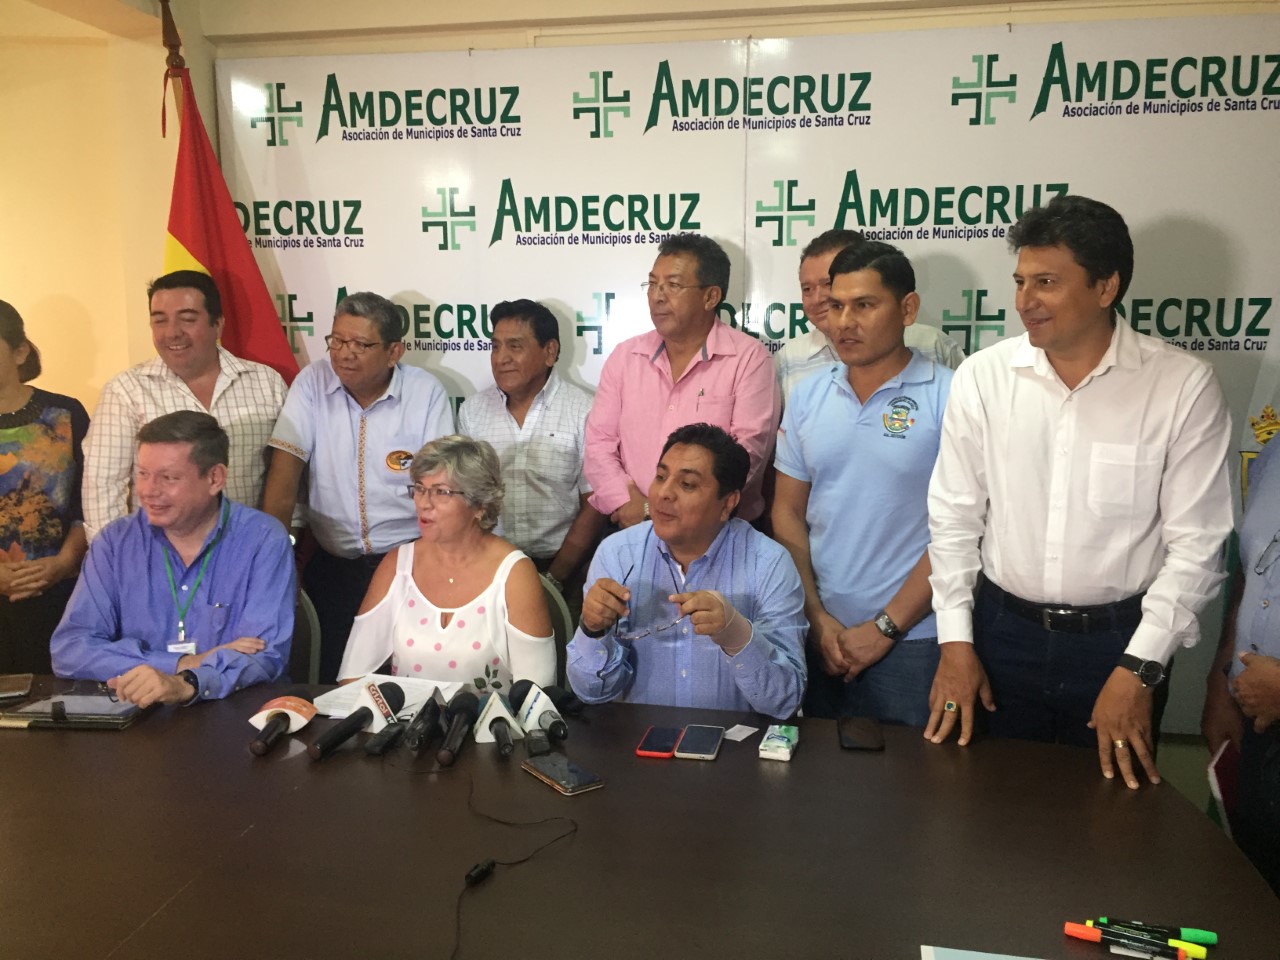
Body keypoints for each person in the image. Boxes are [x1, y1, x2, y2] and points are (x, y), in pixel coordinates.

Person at [925, 194, 1232, 790]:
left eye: (1047, 282)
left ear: (1106, 286)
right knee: (989, 809)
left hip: (1121, 643)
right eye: (1020, 282)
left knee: (1110, 814)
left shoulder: (1180, 386)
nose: (1025, 301)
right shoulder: (984, 377)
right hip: (1000, 636)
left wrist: (1140, 668)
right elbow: (954, 519)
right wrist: (956, 643)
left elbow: (1198, 546)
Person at [773, 242, 952, 726]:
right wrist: (815, 616)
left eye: (864, 305)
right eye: (836, 306)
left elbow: (962, 531)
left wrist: (886, 627)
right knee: (819, 770)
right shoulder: (808, 395)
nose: (844, 322)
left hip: (916, 640)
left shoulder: (951, 395)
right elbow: (787, 512)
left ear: (908, 309)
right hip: (822, 636)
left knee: (912, 772)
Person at [263, 291, 453, 684]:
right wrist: (272, 561)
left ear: (394, 351)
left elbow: (440, 487)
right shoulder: (312, 382)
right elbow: (285, 474)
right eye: (337, 341)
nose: (344, 353)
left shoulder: (425, 393)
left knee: (410, 679)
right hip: (334, 569)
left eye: (360, 344)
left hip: (408, 567)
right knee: (335, 681)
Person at [51, 411, 294, 706]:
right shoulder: (115, 543)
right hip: (137, 713)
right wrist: (181, 664)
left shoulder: (263, 540)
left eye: (168, 478)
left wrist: (187, 683)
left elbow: (264, 656)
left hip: (233, 712)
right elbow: (70, 650)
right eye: (142, 474)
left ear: (215, 478)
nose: (148, 491)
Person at [567, 423, 806, 719]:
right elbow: (591, 693)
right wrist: (593, 630)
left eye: (687, 484)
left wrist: (738, 637)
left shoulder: (769, 563)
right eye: (660, 477)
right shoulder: (617, 554)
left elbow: (785, 702)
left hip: (736, 743)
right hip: (641, 740)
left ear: (727, 503)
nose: (664, 493)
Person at [584, 233, 779, 528]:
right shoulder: (626, 357)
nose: (657, 296)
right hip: (630, 527)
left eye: (673, 285)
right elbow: (599, 444)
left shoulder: (749, 359)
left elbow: (747, 455)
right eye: (653, 284)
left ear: (710, 297)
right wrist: (628, 503)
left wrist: (660, 509)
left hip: (718, 532)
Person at [338, 435, 554, 692]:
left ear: (480, 505)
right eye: (420, 488)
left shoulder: (515, 574)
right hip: (407, 719)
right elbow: (352, 676)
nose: (423, 503)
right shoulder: (398, 565)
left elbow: (537, 694)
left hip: (492, 720)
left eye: (441, 492)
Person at [82, 270, 287, 541]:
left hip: (249, 549)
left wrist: (286, 539)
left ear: (218, 324)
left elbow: (287, 476)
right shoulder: (125, 391)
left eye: (188, 319)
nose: (172, 333)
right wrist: (114, 557)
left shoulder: (266, 383)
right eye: (160, 321)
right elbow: (102, 489)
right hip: (158, 555)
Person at [457, 299, 604, 602]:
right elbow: (465, 500)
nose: (501, 358)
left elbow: (594, 502)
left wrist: (555, 577)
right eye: (495, 347)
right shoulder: (473, 411)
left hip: (566, 567)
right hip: (490, 567)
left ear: (549, 351)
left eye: (515, 346)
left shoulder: (584, 411)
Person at [1202, 438, 1280, 895]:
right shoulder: (1275, 453)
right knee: (1254, 895)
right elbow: (1253, 574)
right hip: (1257, 730)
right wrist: (1221, 681)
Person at [773, 229, 966, 405]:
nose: (818, 298)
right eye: (807, 289)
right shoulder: (788, 359)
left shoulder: (934, 345)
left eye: (828, 283)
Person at [0, 300, 90, 672]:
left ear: (20, 351)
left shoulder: (66, 413)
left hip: (61, 593)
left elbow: (89, 504)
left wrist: (64, 562)